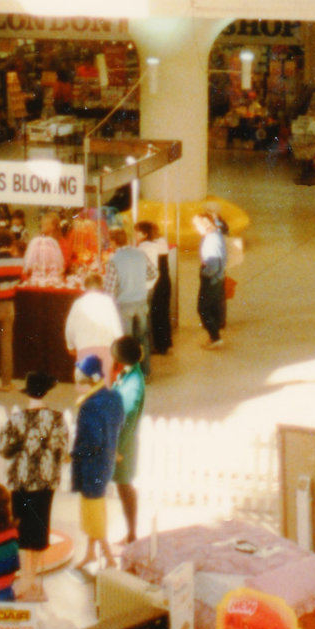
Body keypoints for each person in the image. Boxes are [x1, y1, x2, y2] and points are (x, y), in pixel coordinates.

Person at [0, 373, 70, 602]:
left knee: (20, 529)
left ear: (27, 393)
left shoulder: (17, 419)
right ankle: (33, 577)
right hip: (45, 482)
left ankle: (24, 577)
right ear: (47, 392)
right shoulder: (56, 419)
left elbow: (2, 448)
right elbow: (63, 452)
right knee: (39, 529)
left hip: (20, 480)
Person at [69, 351, 123, 574]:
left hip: (92, 465)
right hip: (106, 461)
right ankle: (91, 552)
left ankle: (108, 556)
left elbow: (92, 440)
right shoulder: (114, 397)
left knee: (92, 511)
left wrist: (72, 454)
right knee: (96, 507)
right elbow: (117, 424)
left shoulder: (90, 406)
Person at [109, 337, 146, 542]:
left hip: (124, 445)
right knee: (123, 486)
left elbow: (129, 419)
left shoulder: (132, 387)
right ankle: (130, 531)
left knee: (124, 486)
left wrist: (118, 449)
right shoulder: (130, 373)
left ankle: (131, 533)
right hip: (121, 442)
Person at [106, 226, 151, 354]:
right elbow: (152, 273)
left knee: (127, 341)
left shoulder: (113, 259)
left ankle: (131, 370)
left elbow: (110, 289)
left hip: (124, 303)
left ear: (114, 241)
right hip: (141, 301)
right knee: (142, 337)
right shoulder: (140, 254)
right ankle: (146, 371)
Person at [65, 269, 123, 367]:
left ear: (85, 287)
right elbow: (116, 328)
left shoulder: (78, 303)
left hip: (84, 351)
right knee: (106, 379)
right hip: (105, 351)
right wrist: (120, 348)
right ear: (101, 287)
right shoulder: (107, 302)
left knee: (83, 379)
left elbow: (69, 329)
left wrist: (70, 346)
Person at [194, 207, 229, 349]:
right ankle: (215, 333)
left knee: (203, 308)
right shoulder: (217, 235)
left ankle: (215, 337)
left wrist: (204, 272)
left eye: (197, 225)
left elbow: (213, 264)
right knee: (215, 304)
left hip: (211, 279)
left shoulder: (210, 240)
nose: (195, 228)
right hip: (218, 277)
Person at [139, 221, 173, 359]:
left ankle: (159, 345)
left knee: (156, 314)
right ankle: (165, 343)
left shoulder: (147, 246)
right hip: (165, 280)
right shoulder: (161, 242)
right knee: (163, 312)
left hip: (156, 282)